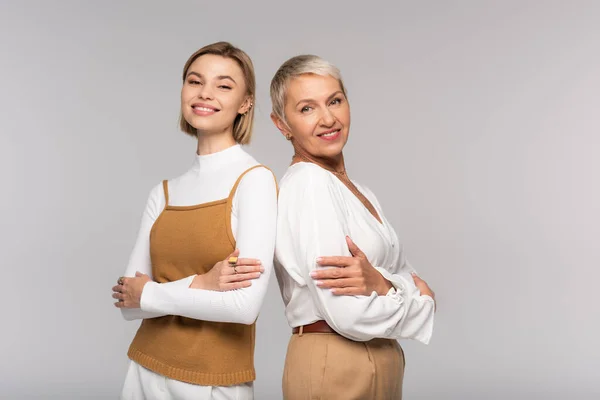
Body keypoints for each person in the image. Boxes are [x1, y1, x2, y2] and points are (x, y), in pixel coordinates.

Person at [111, 41, 277, 400]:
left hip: (211, 380)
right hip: (143, 369)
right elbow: (128, 304)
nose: (205, 93)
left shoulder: (254, 180)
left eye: (224, 85)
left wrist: (151, 293)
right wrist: (203, 282)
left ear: (245, 103)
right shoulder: (163, 192)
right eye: (194, 81)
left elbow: (243, 308)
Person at [270, 55, 436, 400]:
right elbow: (346, 313)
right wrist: (418, 303)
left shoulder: (359, 191)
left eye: (335, 100)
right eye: (306, 108)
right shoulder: (309, 185)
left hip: (378, 358)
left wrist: (383, 282)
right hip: (337, 363)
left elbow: (404, 273)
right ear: (282, 125)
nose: (328, 118)